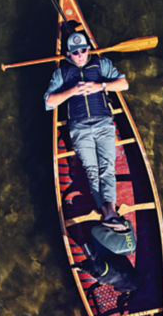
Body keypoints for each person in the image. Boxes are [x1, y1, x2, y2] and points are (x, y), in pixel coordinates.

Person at [44, 31, 129, 231]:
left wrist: (100, 86)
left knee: (107, 168)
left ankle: (109, 211)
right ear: (68, 55)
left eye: (83, 50)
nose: (80, 55)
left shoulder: (101, 65)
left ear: (89, 49)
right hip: (80, 128)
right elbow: (49, 102)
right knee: (92, 171)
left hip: (103, 123)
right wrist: (72, 90)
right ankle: (108, 211)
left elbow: (124, 84)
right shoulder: (62, 73)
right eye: (75, 52)